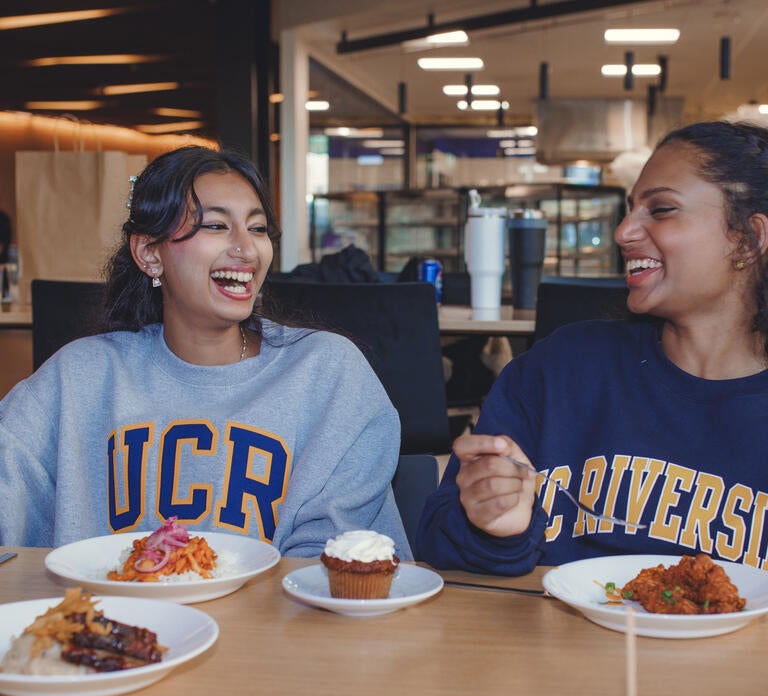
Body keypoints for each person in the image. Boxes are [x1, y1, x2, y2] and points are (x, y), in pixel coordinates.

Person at [0, 146, 412, 558]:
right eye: (216, 226)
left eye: (257, 228)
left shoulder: (328, 374)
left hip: (275, 621)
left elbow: (335, 560)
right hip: (111, 618)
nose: (247, 250)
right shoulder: (78, 377)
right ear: (149, 254)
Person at [417, 120, 768, 575]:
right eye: (629, 209)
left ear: (749, 238)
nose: (623, 231)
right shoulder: (561, 367)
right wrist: (492, 526)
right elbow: (434, 544)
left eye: (661, 209)